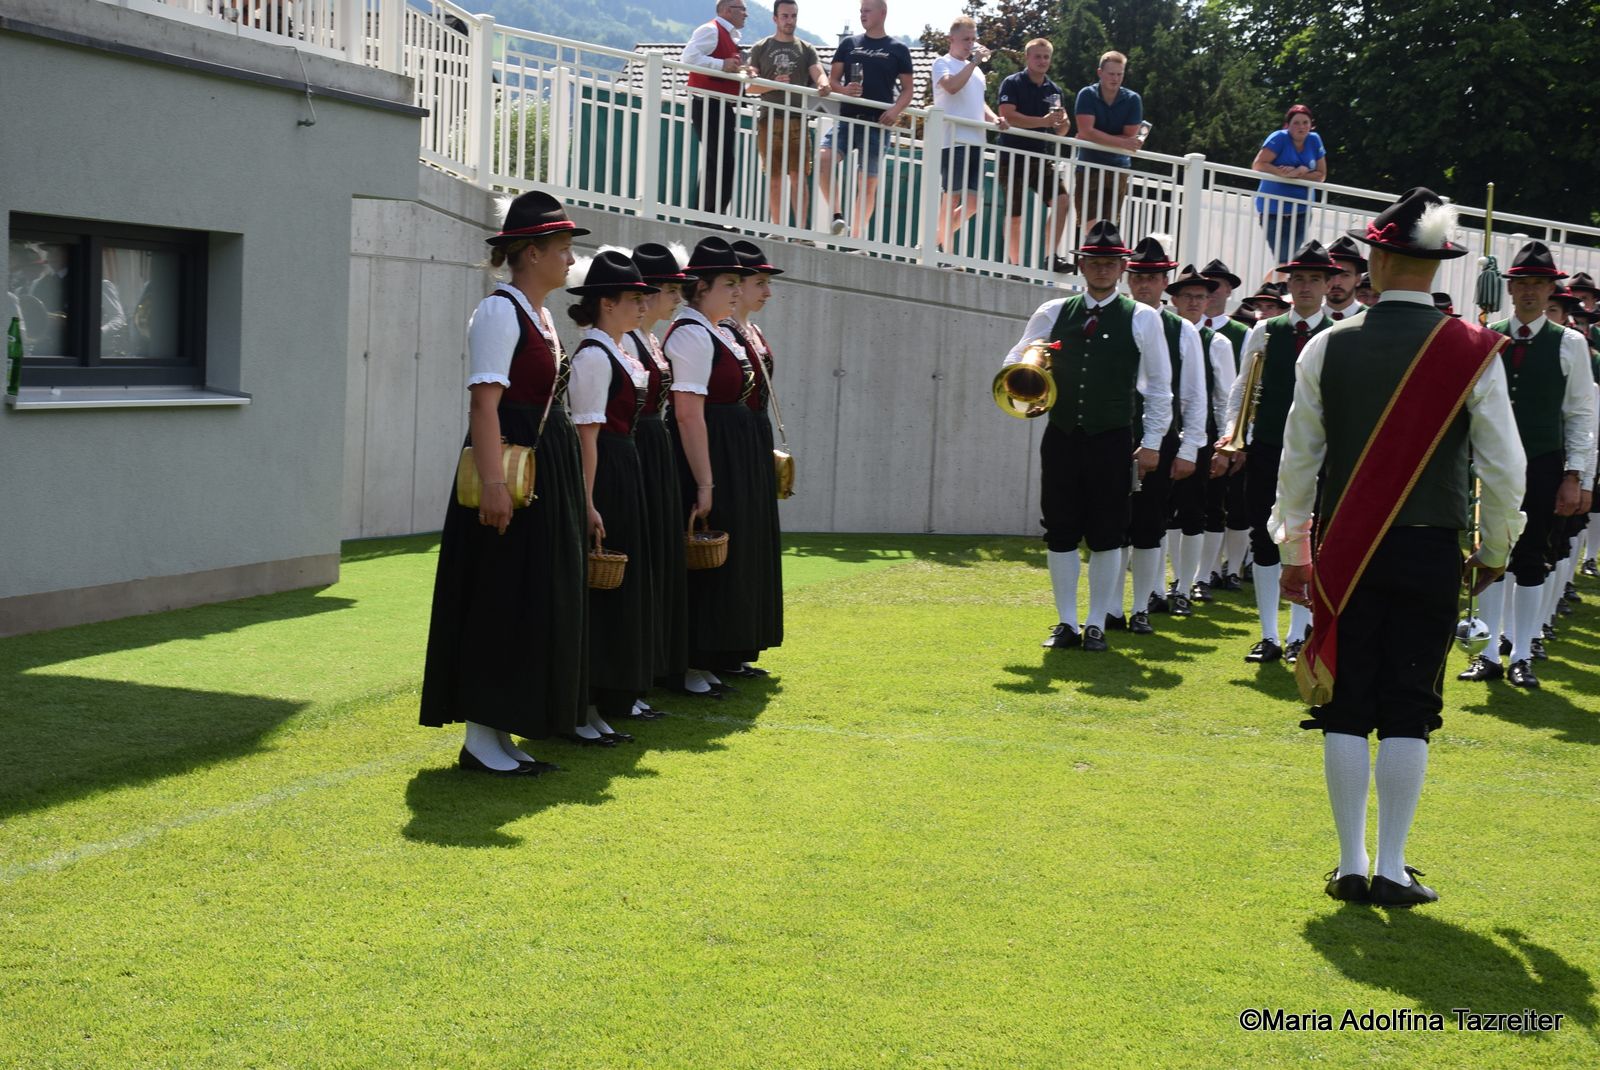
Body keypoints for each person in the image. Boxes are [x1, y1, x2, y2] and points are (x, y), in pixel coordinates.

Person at [1271, 186, 1526, 907]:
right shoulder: (1473, 350)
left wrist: (1295, 555)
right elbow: (1505, 467)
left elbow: (1298, 464)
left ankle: (1350, 863)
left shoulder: (1326, 345)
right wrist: (1497, 546)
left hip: (1348, 550)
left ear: (1376, 262)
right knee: (1411, 705)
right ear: (1438, 265)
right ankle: (1391, 865)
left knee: (1347, 702)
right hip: (1430, 550)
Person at [419, 190, 591, 774]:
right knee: (497, 595)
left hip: (542, 468)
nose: (571, 259)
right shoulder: (499, 311)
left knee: (526, 597)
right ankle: (479, 736)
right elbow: (484, 405)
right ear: (532, 252)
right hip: (511, 469)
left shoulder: (541, 315)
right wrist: (494, 485)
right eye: (562, 248)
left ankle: (500, 729)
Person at [1001, 222, 1171, 653]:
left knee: (1107, 531)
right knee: (1059, 528)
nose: (1102, 269)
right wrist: (1028, 365)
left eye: (1110, 263)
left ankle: (1096, 622)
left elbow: (1159, 386)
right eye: (1094, 262)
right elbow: (1015, 356)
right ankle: (1065, 622)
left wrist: (1152, 441)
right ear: (1081, 266)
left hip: (1112, 437)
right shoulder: (1053, 310)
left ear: (1122, 268)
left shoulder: (1143, 317)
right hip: (1061, 435)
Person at [1458, 242, 1597, 688]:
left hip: (1542, 462)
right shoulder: (1487, 337)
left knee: (1532, 556)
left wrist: (1576, 476)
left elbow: (1580, 414)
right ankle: (1488, 653)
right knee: (1491, 552)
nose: (1530, 292)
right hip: (1491, 462)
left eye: (1539, 284)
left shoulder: (1569, 343)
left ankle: (1521, 652)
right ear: (1510, 289)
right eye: (1522, 284)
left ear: (1550, 290)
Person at [1214, 239, 1336, 664]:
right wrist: (1232, 435)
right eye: (1299, 279)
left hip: (1321, 453)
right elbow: (1242, 388)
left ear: (1328, 285)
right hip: (1269, 446)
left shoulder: (1338, 334)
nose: (1306, 287)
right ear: (1288, 284)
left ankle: (1299, 634)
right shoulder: (1265, 329)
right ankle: (1268, 634)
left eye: (1315, 279)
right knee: (1265, 538)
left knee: (1311, 542)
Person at [566, 251, 661, 745]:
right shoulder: (593, 357)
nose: (643, 306)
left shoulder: (618, 352)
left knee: (621, 589)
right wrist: (587, 501)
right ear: (606, 303)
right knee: (600, 594)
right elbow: (587, 437)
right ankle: (582, 706)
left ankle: (603, 701)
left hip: (626, 468)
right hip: (604, 474)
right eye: (632, 298)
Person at [664, 237, 764, 695]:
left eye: (739, 283)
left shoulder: (718, 330)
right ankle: (691, 659)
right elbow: (688, 413)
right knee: (702, 549)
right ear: (701, 286)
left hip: (728, 447)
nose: (737, 291)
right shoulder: (690, 333)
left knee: (725, 553)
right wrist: (705, 481)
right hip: (706, 449)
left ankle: (716, 652)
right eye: (728, 283)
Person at [622, 243, 695, 716]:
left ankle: (648, 671)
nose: (676, 298)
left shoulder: (648, 340)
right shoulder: (626, 341)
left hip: (655, 445)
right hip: (636, 445)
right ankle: (630, 678)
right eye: (669, 290)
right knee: (640, 558)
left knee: (659, 557)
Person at [1120, 237, 1208, 629]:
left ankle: (1142, 605)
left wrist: (1190, 449)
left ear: (1165, 282)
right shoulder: (1116, 317)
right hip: (1114, 432)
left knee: (1150, 522)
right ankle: (1111, 608)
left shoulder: (1182, 330)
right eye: (1138, 276)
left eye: (1153, 277)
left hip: (1160, 437)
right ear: (1128, 279)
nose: (1144, 284)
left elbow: (1194, 395)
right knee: (1112, 524)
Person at [720, 241, 787, 675]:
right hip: (733, 443)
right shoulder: (722, 332)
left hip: (755, 437)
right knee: (737, 539)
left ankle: (744, 643)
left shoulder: (752, 331)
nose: (767, 292)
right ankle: (725, 648)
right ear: (737, 286)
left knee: (755, 541)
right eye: (759, 283)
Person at [1167, 265, 1238, 604]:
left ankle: (1193, 581)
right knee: (1164, 509)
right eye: (1187, 296)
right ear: (1175, 300)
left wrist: (1225, 444)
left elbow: (1226, 398)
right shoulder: (1162, 333)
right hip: (1165, 428)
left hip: (1203, 433)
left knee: (1200, 508)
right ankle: (1170, 580)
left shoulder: (1217, 342)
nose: (1194, 302)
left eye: (1200, 296)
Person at [818, 0, 914, 240]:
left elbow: (908, 90)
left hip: (877, 123)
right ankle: (837, 216)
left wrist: (895, 111)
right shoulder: (849, 44)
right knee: (824, 158)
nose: (862, 15)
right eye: (861, 11)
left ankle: (856, 238)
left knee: (868, 182)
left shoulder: (898, 48)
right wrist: (844, 90)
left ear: (883, 13)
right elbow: (832, 81)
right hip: (847, 118)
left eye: (867, 11)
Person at [745, 1, 829, 228]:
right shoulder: (761, 47)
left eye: (793, 16)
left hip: (798, 118)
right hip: (769, 118)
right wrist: (773, 83)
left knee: (799, 178)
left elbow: (819, 73)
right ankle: (777, 229)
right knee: (774, 178)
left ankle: (800, 232)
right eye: (784, 16)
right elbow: (750, 87)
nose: (789, 20)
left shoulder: (806, 48)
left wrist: (823, 83)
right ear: (775, 18)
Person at [1199, 258, 1253, 592]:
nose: (1211, 292)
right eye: (1205, 285)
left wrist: (1241, 438)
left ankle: (1231, 569)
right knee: (1198, 505)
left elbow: (1247, 388)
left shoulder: (1242, 334)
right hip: (1195, 427)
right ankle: (1203, 573)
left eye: (1217, 285)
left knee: (1233, 504)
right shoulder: (1186, 327)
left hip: (1229, 430)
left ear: (1229, 290)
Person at [995, 39, 1071, 272]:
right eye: (1037, 56)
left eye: (1046, 57)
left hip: (1040, 157)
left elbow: (1062, 128)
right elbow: (1008, 115)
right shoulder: (1012, 83)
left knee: (1062, 201)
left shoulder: (1054, 90)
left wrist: (1061, 122)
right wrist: (1043, 122)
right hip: (1012, 156)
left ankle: (1051, 257)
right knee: (1015, 214)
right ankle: (1015, 268)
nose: (1042, 61)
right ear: (1027, 58)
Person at [931, 17, 1004, 257]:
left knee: (972, 204)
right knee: (951, 198)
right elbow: (952, 87)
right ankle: (947, 255)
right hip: (953, 141)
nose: (970, 44)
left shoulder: (977, 72)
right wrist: (973, 62)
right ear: (951, 39)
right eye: (965, 39)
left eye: (973, 39)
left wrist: (995, 119)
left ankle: (932, 242)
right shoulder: (942, 63)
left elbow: (979, 103)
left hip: (977, 141)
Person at [682, 0, 749, 217]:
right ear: (728, 10)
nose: (746, 14)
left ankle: (707, 214)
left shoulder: (726, 34)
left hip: (719, 104)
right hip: (708, 103)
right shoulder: (711, 30)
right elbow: (688, 58)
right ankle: (709, 215)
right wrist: (721, 65)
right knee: (720, 161)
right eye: (742, 9)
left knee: (718, 160)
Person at [1072, 50, 1144, 243]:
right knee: (1089, 222)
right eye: (1111, 73)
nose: (1115, 78)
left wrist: (1096, 136)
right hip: (1089, 165)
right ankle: (1090, 258)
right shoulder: (1087, 94)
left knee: (1109, 226)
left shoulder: (1133, 99)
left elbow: (1130, 136)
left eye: (1120, 74)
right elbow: (1086, 131)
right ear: (1100, 73)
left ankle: (1100, 258)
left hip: (1118, 168)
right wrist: (1120, 142)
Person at [1251, 105, 1327, 268]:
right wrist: (1283, 173)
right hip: (1273, 211)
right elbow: (1258, 164)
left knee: (1289, 261)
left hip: (1301, 211)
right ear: (1287, 125)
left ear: (1311, 124)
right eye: (1296, 123)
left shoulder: (1314, 140)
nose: (1301, 127)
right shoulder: (1279, 138)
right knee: (1284, 261)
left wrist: (1300, 172)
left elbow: (1321, 175)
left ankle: (1274, 284)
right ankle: (1274, 284)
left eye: (1305, 122)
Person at [1322, 235, 1366, 321]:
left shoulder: (1370, 319)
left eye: (1345, 275)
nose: (1336, 283)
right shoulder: (1309, 318)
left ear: (1358, 279)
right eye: (1331, 274)